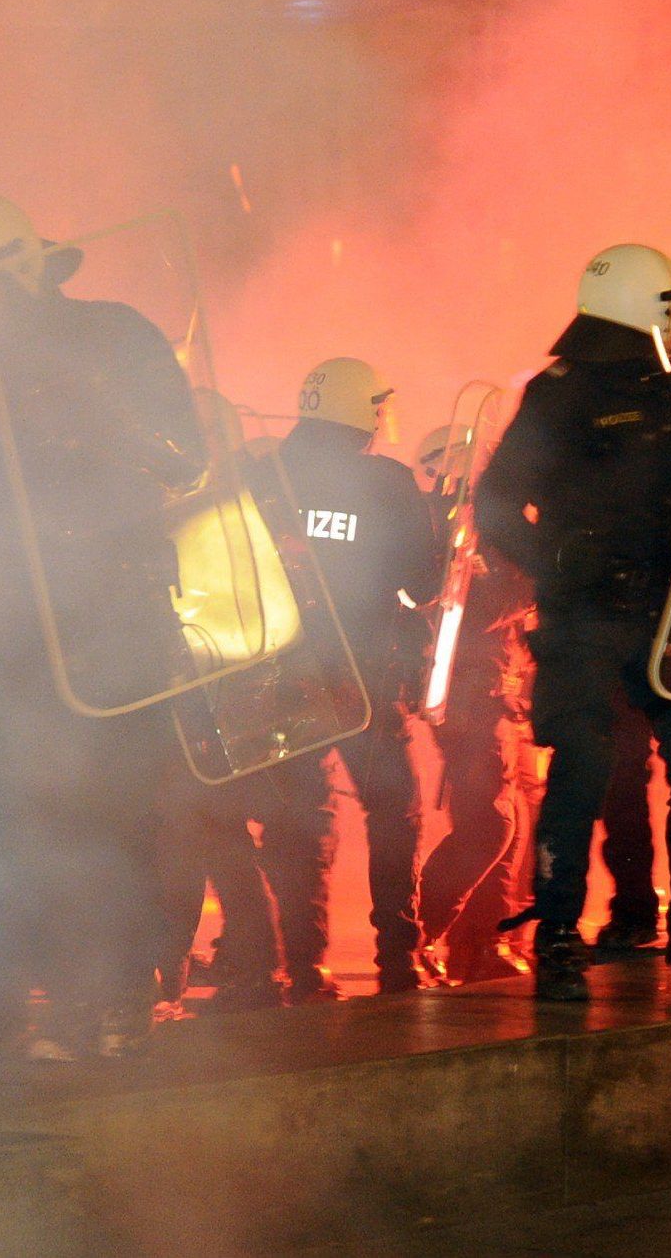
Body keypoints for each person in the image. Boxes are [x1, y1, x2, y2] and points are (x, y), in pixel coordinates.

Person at [0, 191, 207, 1060]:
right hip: (4, 634)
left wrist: (97, 419)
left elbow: (184, 456)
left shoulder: (117, 337)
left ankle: (111, 1003)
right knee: (1, 816)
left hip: (113, 618)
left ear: (10, 278)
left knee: (113, 814)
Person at [475, 243, 671, 1000]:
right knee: (584, 764)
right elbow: (495, 502)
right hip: (588, 617)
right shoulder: (559, 395)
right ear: (646, 307)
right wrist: (558, 565)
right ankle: (560, 936)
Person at [252, 358, 442, 998]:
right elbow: (425, 584)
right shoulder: (386, 483)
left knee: (295, 819)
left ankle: (303, 968)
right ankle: (397, 959)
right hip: (363, 677)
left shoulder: (262, 474)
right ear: (364, 410)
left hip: (278, 675)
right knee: (394, 812)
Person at [410, 425, 531, 982]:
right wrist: (535, 578)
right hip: (469, 693)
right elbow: (482, 606)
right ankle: (420, 932)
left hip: (487, 691)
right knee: (490, 826)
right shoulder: (462, 531)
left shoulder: (448, 524)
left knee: (505, 821)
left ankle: (477, 950)